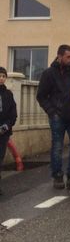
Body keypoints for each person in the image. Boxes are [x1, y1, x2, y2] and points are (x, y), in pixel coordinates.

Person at [36, 45, 70, 190]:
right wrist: (52, 112)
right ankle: (57, 175)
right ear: (59, 56)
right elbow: (41, 96)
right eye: (68, 57)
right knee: (57, 147)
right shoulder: (48, 74)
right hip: (57, 116)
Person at [0, 67, 17, 196]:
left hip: (3, 132)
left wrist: (6, 126)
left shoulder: (8, 94)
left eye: (3, 76)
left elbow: (13, 114)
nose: (1, 78)